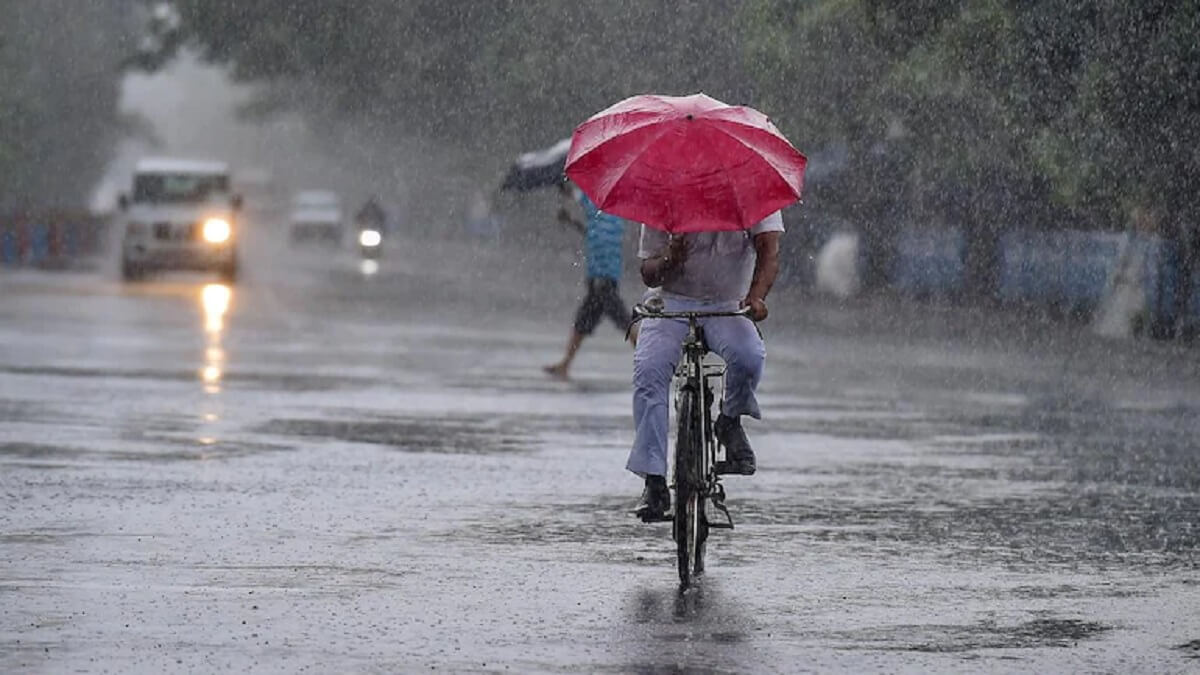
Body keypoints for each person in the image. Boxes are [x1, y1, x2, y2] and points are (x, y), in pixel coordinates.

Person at [630, 213, 783, 520]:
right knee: (649, 371)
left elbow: (769, 251)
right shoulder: (666, 194)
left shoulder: (751, 190)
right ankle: (654, 480)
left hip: (727, 305)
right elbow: (648, 272)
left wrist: (756, 297)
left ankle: (729, 420)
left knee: (749, 357)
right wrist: (668, 260)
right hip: (672, 302)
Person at [544, 182, 636, 379]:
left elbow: (578, 198)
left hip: (602, 280)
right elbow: (592, 234)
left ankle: (650, 361)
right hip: (603, 278)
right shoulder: (612, 216)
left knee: (624, 321)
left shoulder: (596, 204)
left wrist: (567, 194)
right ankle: (565, 364)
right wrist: (570, 221)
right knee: (583, 322)